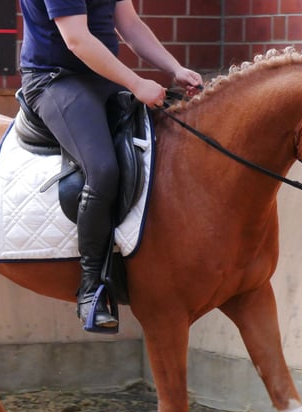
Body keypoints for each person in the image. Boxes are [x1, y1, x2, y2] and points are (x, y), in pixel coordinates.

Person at [19, 0, 203, 332]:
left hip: (102, 76)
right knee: (103, 170)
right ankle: (92, 289)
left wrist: (174, 68)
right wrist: (136, 83)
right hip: (55, 80)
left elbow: (129, 24)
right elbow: (76, 39)